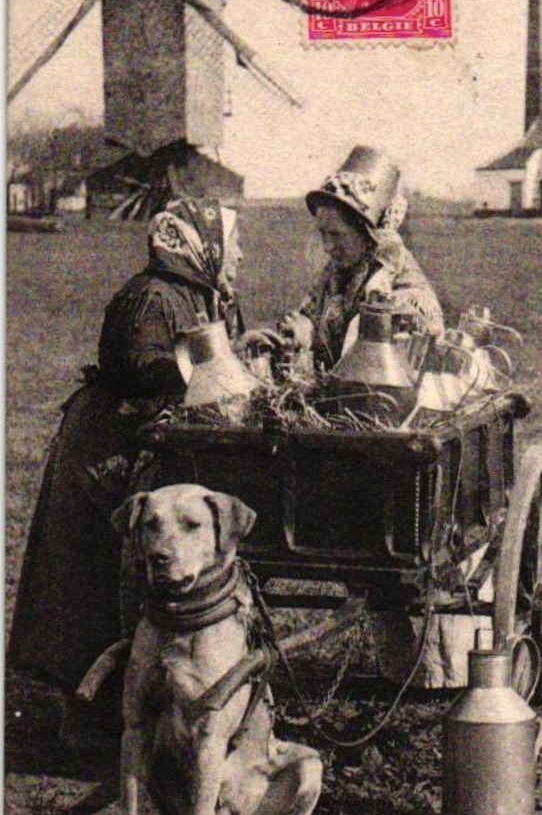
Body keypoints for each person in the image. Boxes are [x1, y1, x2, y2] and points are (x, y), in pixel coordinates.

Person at [8, 195, 244, 697]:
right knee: (97, 568)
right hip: (106, 447)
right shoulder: (154, 296)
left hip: (135, 441)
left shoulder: (195, 291)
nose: (239, 254)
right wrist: (211, 369)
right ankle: (93, 705)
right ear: (207, 245)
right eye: (235, 242)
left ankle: (115, 696)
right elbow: (141, 369)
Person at [281, 146, 444, 367]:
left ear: (369, 235)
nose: (328, 246)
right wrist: (303, 326)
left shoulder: (402, 287)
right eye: (323, 233)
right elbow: (312, 313)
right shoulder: (336, 271)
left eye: (337, 235)